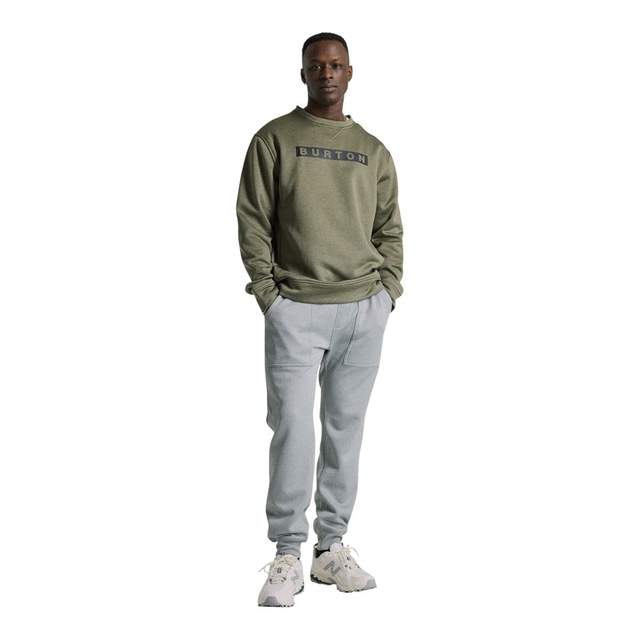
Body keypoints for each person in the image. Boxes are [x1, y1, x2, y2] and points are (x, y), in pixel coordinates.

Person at [236, 32, 403, 607]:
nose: (326, 73)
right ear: (303, 72)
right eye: (317, 65)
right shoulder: (274, 139)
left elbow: (389, 227)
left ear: (350, 73)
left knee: (344, 431)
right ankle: (287, 553)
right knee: (292, 429)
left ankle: (330, 549)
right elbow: (253, 219)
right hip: (296, 309)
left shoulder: (373, 150)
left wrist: (387, 292)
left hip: (362, 309)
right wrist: (269, 295)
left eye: (336, 65)